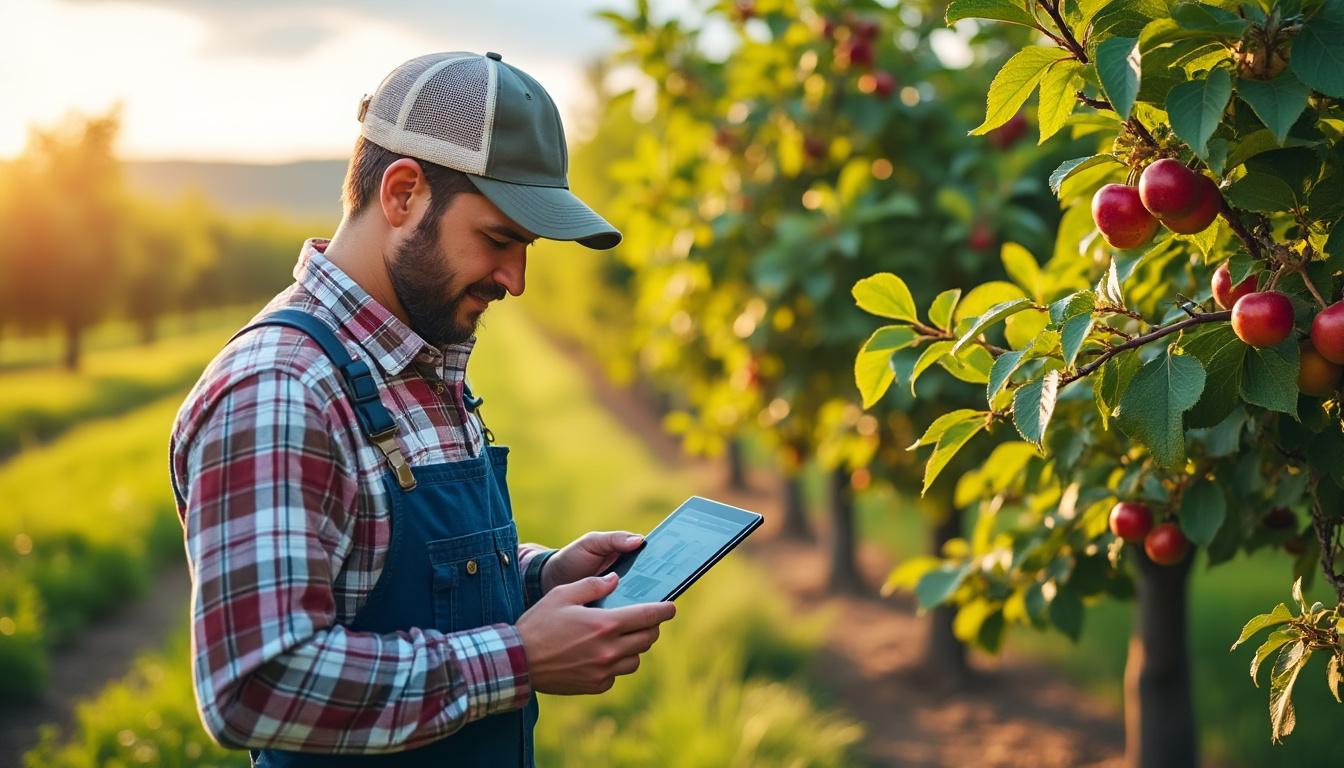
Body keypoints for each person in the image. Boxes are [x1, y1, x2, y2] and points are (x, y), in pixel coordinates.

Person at [168, 51, 676, 767]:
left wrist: (537, 576)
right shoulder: (283, 389)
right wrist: (518, 660)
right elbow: (255, 682)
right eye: (499, 240)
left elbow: (374, 574)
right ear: (402, 194)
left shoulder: (417, 362)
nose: (517, 280)